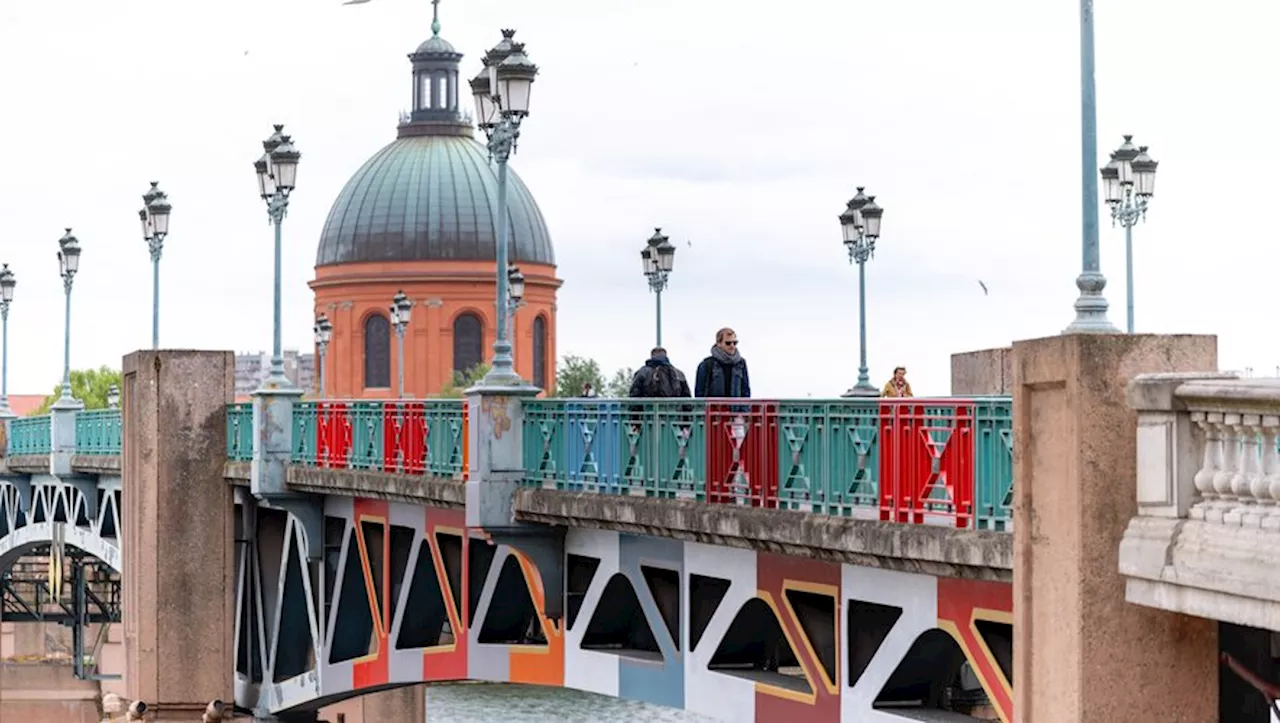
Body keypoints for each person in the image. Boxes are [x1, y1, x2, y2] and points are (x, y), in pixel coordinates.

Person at [695, 327, 751, 398]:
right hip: (714, 408)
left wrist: (744, 408)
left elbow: (746, 392)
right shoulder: (706, 365)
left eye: (735, 343)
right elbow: (700, 393)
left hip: (735, 408)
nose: (732, 346)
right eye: (728, 343)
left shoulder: (741, 363)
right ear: (719, 343)